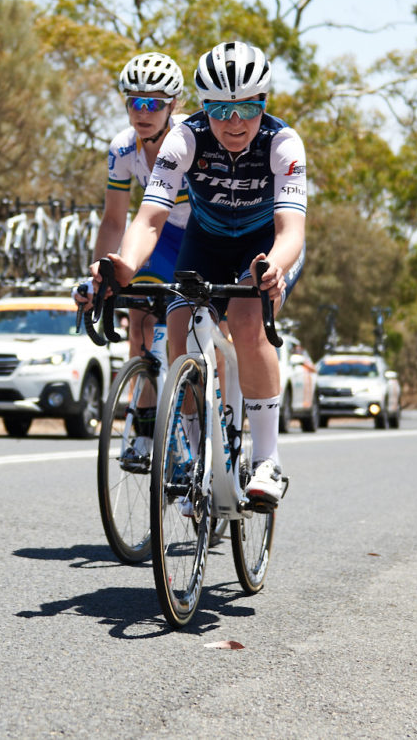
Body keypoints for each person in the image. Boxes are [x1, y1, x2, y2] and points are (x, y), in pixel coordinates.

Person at [90, 40, 307, 508]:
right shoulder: (184, 139)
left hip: (264, 245)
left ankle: (267, 460)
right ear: (203, 107)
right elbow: (149, 219)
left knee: (247, 323)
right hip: (205, 241)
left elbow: (292, 229)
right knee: (178, 331)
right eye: (221, 110)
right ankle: (197, 458)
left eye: (248, 108)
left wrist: (275, 267)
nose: (235, 122)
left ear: (264, 102)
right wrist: (124, 265)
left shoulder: (283, 143)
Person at [76, 52, 193, 459]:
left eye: (154, 103)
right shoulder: (123, 148)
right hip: (159, 238)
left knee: (191, 333)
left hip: (199, 237)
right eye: (135, 102)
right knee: (140, 321)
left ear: (172, 105)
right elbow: (114, 220)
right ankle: (143, 431)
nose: (143, 112)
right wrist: (100, 275)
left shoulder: (189, 139)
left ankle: (202, 423)